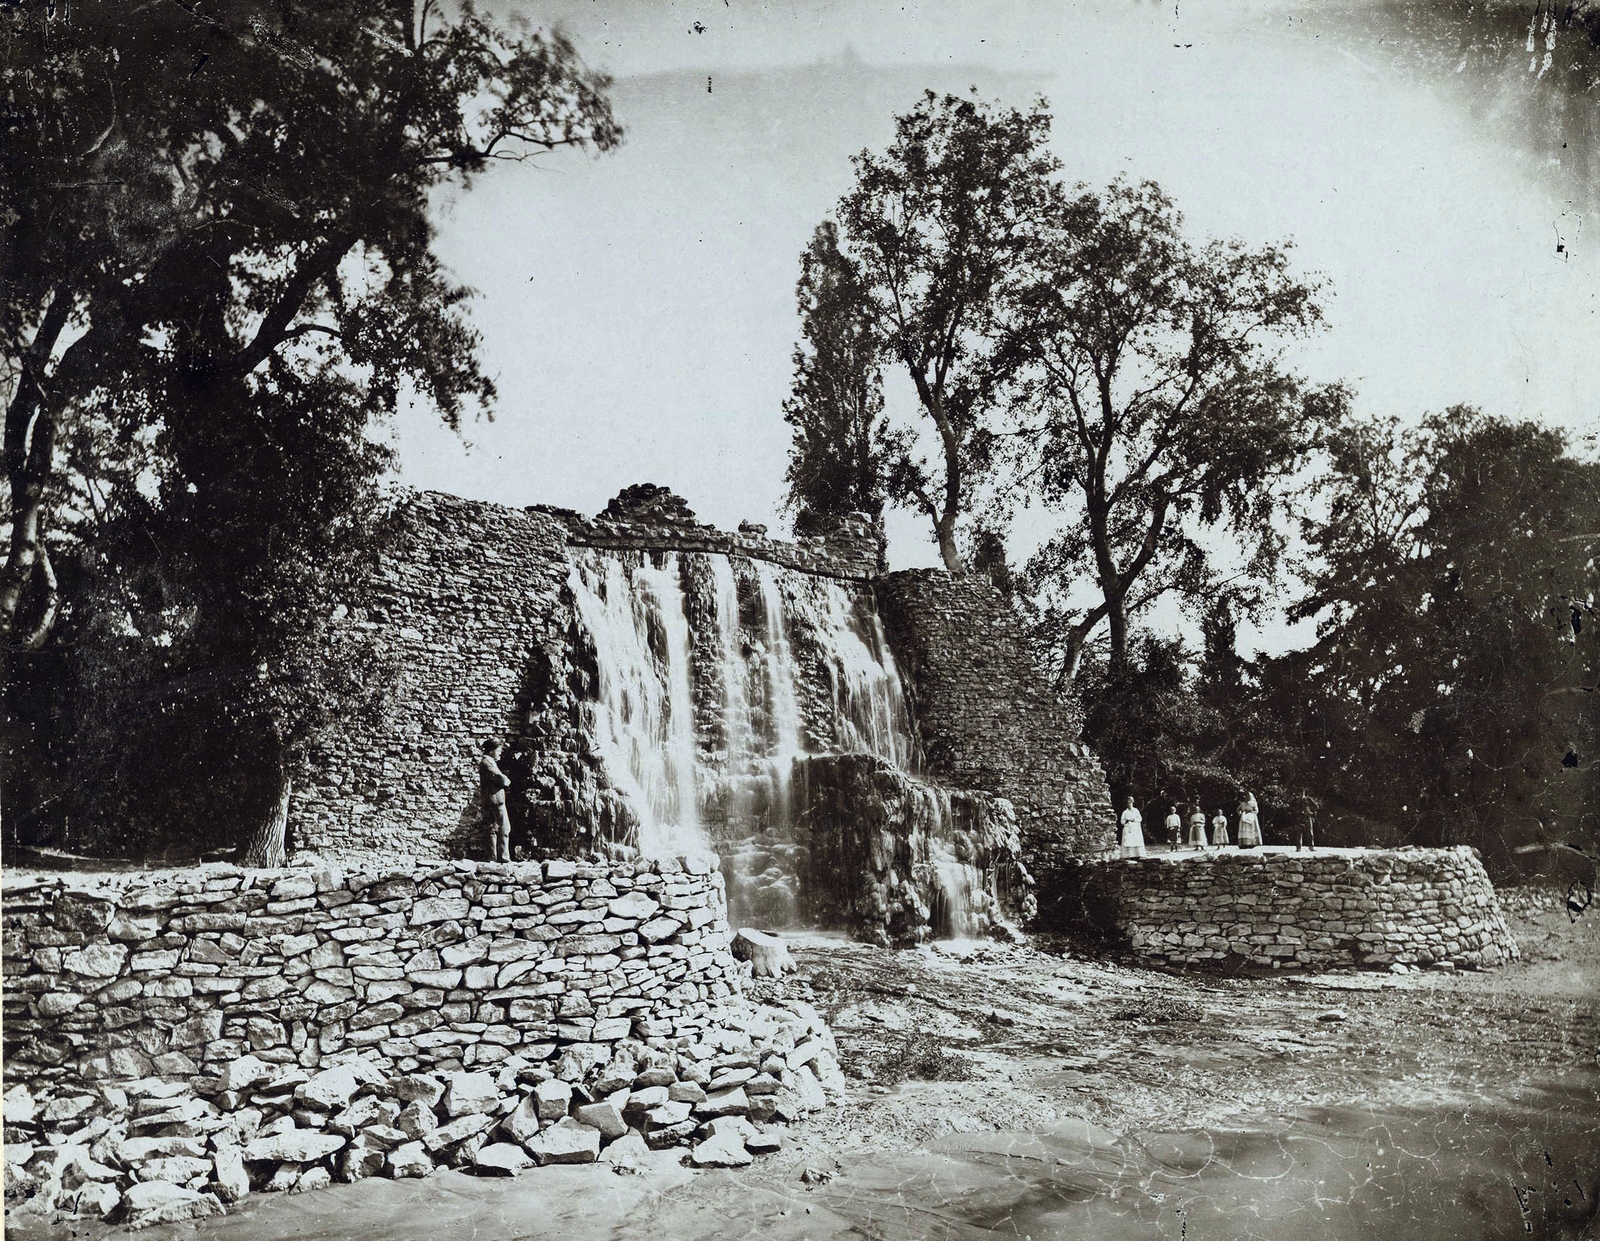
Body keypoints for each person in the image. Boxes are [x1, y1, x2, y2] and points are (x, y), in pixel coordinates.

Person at [479, 738, 512, 862]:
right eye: (498, 750)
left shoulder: (490, 762)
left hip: (494, 799)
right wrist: (506, 780)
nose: (500, 753)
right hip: (495, 800)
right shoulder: (487, 762)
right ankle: (502, 857)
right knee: (503, 827)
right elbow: (501, 779)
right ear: (491, 751)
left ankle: (494, 857)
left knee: (494, 828)